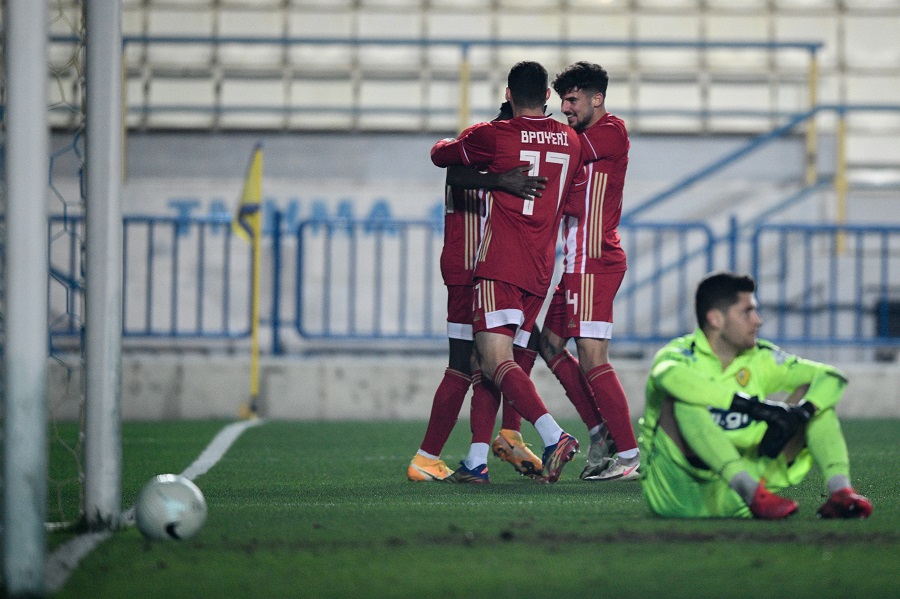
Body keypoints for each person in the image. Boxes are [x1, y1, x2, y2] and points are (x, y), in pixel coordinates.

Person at [430, 60, 588, 484]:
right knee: (493, 361)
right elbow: (574, 200)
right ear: (548, 96)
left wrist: (496, 179)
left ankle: (554, 435)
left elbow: (441, 155)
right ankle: (476, 460)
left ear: (508, 94)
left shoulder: (497, 135)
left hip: (501, 263)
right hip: (541, 269)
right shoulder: (571, 140)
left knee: (493, 359)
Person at [640, 271, 873, 519]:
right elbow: (669, 377)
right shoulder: (680, 355)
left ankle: (840, 493)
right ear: (716, 319)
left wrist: (803, 412)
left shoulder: (760, 358)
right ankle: (747, 489)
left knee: (815, 397)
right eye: (747, 312)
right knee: (682, 399)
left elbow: (831, 376)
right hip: (678, 496)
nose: (758, 320)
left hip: (747, 492)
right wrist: (755, 408)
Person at [408, 102, 548, 482]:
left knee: (513, 349)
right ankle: (428, 457)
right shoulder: (478, 148)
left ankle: (499, 442)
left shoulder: (499, 153)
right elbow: (444, 159)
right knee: (467, 362)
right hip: (471, 270)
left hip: (491, 271)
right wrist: (498, 179)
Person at [536, 61, 640, 481]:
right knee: (549, 345)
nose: (565, 108)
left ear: (598, 99)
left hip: (595, 261)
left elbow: (567, 151)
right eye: (562, 100)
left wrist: (527, 130)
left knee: (594, 358)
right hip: (576, 264)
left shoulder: (612, 131)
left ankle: (629, 457)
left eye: (572, 100)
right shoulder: (581, 141)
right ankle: (600, 432)